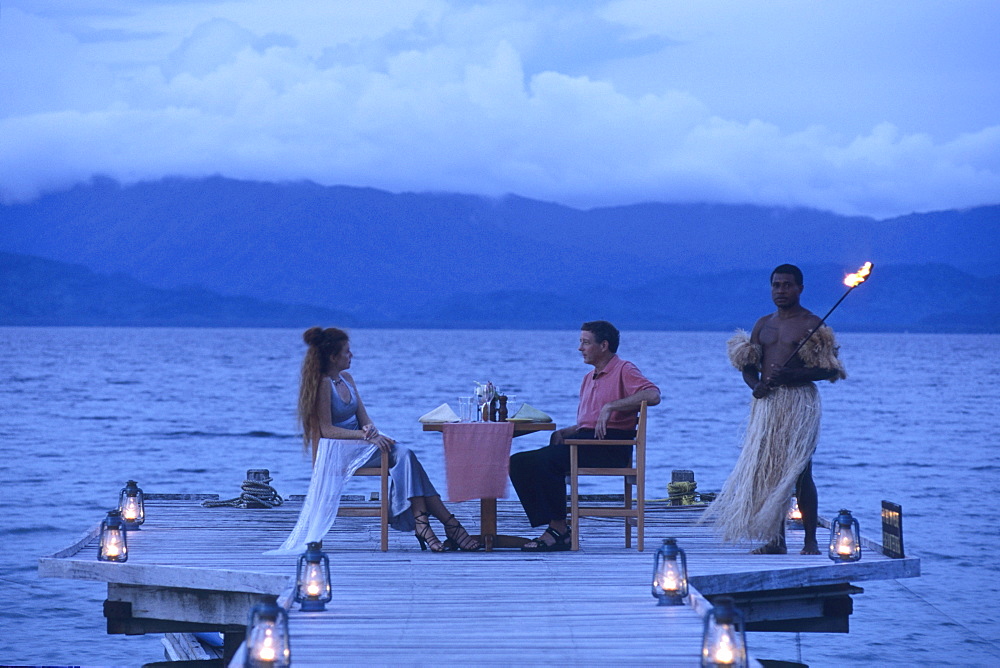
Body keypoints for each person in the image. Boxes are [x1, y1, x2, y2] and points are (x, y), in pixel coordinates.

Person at [272, 327, 479, 553]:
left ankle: (425, 524)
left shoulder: (347, 379)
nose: (351, 356)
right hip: (339, 449)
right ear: (333, 357)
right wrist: (364, 436)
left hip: (362, 444)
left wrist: (370, 430)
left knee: (405, 455)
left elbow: (363, 418)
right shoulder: (323, 384)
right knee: (405, 456)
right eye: (347, 352)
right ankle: (446, 524)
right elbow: (327, 430)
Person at [704, 264, 846, 555]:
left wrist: (793, 376)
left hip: (799, 404)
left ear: (800, 289)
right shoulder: (763, 324)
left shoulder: (813, 325)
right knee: (769, 471)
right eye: (776, 285)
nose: (781, 291)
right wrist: (755, 385)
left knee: (800, 471)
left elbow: (829, 371)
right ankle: (776, 541)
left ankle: (810, 541)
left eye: (787, 285)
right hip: (768, 404)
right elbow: (747, 366)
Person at [509, 320, 661, 551]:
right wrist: (567, 431)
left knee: (545, 461)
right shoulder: (588, 378)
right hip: (586, 441)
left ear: (604, 346)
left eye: (586, 342)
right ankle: (557, 526)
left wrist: (611, 406)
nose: (580, 348)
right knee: (518, 462)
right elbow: (588, 422)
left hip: (610, 448)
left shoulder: (624, 369)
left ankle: (558, 530)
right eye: (581, 342)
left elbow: (653, 395)